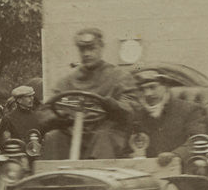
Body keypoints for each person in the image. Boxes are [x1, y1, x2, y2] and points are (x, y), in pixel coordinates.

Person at [51, 28, 141, 158]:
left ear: (101, 48)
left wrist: (111, 105)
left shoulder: (119, 77)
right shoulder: (67, 81)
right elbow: (46, 109)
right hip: (75, 135)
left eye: (92, 48)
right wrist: (60, 116)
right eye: (82, 50)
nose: (86, 54)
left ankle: (96, 176)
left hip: (107, 134)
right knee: (53, 137)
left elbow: (132, 107)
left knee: (103, 136)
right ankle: (51, 177)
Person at [130, 70, 208, 164]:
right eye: (142, 90)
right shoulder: (138, 115)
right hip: (148, 169)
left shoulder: (189, 110)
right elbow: (131, 145)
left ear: (166, 87)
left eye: (152, 87)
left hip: (182, 169)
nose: (148, 94)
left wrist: (175, 155)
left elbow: (198, 140)